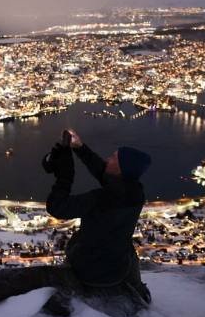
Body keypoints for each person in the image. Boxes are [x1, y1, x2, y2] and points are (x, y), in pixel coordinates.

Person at [44, 129, 152, 304]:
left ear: (120, 170)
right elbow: (103, 172)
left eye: (113, 157)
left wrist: (64, 176)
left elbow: (57, 207)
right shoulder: (136, 193)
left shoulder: (100, 199)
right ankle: (140, 291)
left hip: (90, 273)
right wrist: (79, 147)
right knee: (128, 250)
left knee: (79, 248)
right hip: (118, 267)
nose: (108, 159)